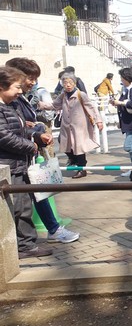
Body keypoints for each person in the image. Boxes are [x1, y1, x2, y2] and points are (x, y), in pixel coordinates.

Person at [4, 58, 79, 244]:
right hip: (17, 157)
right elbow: (6, 133)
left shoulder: (20, 97)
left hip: (26, 155)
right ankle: (26, 243)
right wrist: (31, 138)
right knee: (24, 204)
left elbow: (19, 125)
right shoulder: (10, 101)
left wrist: (32, 129)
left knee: (37, 195)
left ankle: (47, 232)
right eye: (30, 78)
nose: (33, 82)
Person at [0, 66, 55, 258]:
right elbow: (4, 137)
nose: (20, 91)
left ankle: (25, 244)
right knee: (18, 208)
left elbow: (21, 131)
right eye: (16, 87)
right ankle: (23, 246)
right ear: (2, 86)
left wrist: (38, 137)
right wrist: (30, 146)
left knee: (23, 206)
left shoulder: (13, 105)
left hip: (20, 164)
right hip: (9, 166)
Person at [49, 73, 103, 179]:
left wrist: (98, 121)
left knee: (78, 147)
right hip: (67, 126)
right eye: (65, 83)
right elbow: (54, 105)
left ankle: (81, 169)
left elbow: (91, 107)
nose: (68, 85)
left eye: (70, 82)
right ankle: (74, 160)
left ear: (74, 83)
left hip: (79, 126)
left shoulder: (80, 94)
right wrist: (40, 105)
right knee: (63, 141)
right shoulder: (63, 95)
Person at [111, 68, 132, 174]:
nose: (121, 80)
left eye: (122, 78)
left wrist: (120, 103)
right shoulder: (127, 89)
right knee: (131, 148)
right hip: (129, 122)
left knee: (128, 147)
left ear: (127, 78)